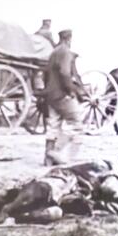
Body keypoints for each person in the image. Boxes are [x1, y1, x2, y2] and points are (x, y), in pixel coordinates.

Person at [42, 29, 86, 165]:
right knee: (77, 126)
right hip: (62, 95)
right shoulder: (66, 52)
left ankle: (48, 160)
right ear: (69, 39)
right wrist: (72, 91)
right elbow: (65, 73)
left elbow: (45, 74)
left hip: (51, 95)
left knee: (53, 126)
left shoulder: (53, 53)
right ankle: (59, 154)